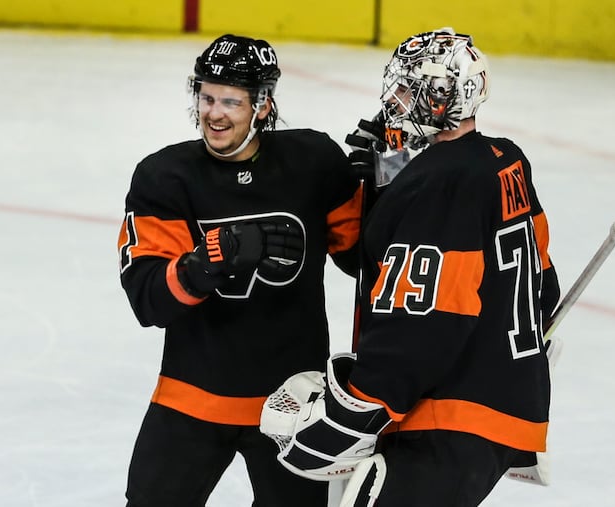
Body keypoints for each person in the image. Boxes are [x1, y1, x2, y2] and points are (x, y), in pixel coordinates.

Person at [260, 28, 560, 506]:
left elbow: (426, 319)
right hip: (505, 403)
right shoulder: (504, 160)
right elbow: (543, 288)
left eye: (406, 88)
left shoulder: (441, 182)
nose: (392, 100)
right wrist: (388, 183)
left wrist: (364, 404)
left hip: (450, 418)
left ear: (441, 99)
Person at [116, 33, 362, 507]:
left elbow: (363, 259)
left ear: (263, 105)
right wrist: (201, 266)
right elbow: (148, 300)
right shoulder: (165, 178)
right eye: (206, 97)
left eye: (231, 100)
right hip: (192, 396)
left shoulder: (314, 164)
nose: (214, 113)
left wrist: (389, 182)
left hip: (293, 404)